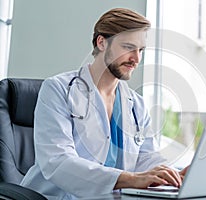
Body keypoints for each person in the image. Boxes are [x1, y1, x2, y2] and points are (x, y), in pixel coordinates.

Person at [20, 8, 188, 199]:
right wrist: (131, 178)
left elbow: (145, 158)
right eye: (128, 47)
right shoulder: (58, 89)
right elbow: (57, 161)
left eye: (141, 50)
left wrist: (174, 174)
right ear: (101, 42)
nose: (136, 59)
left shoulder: (136, 105)